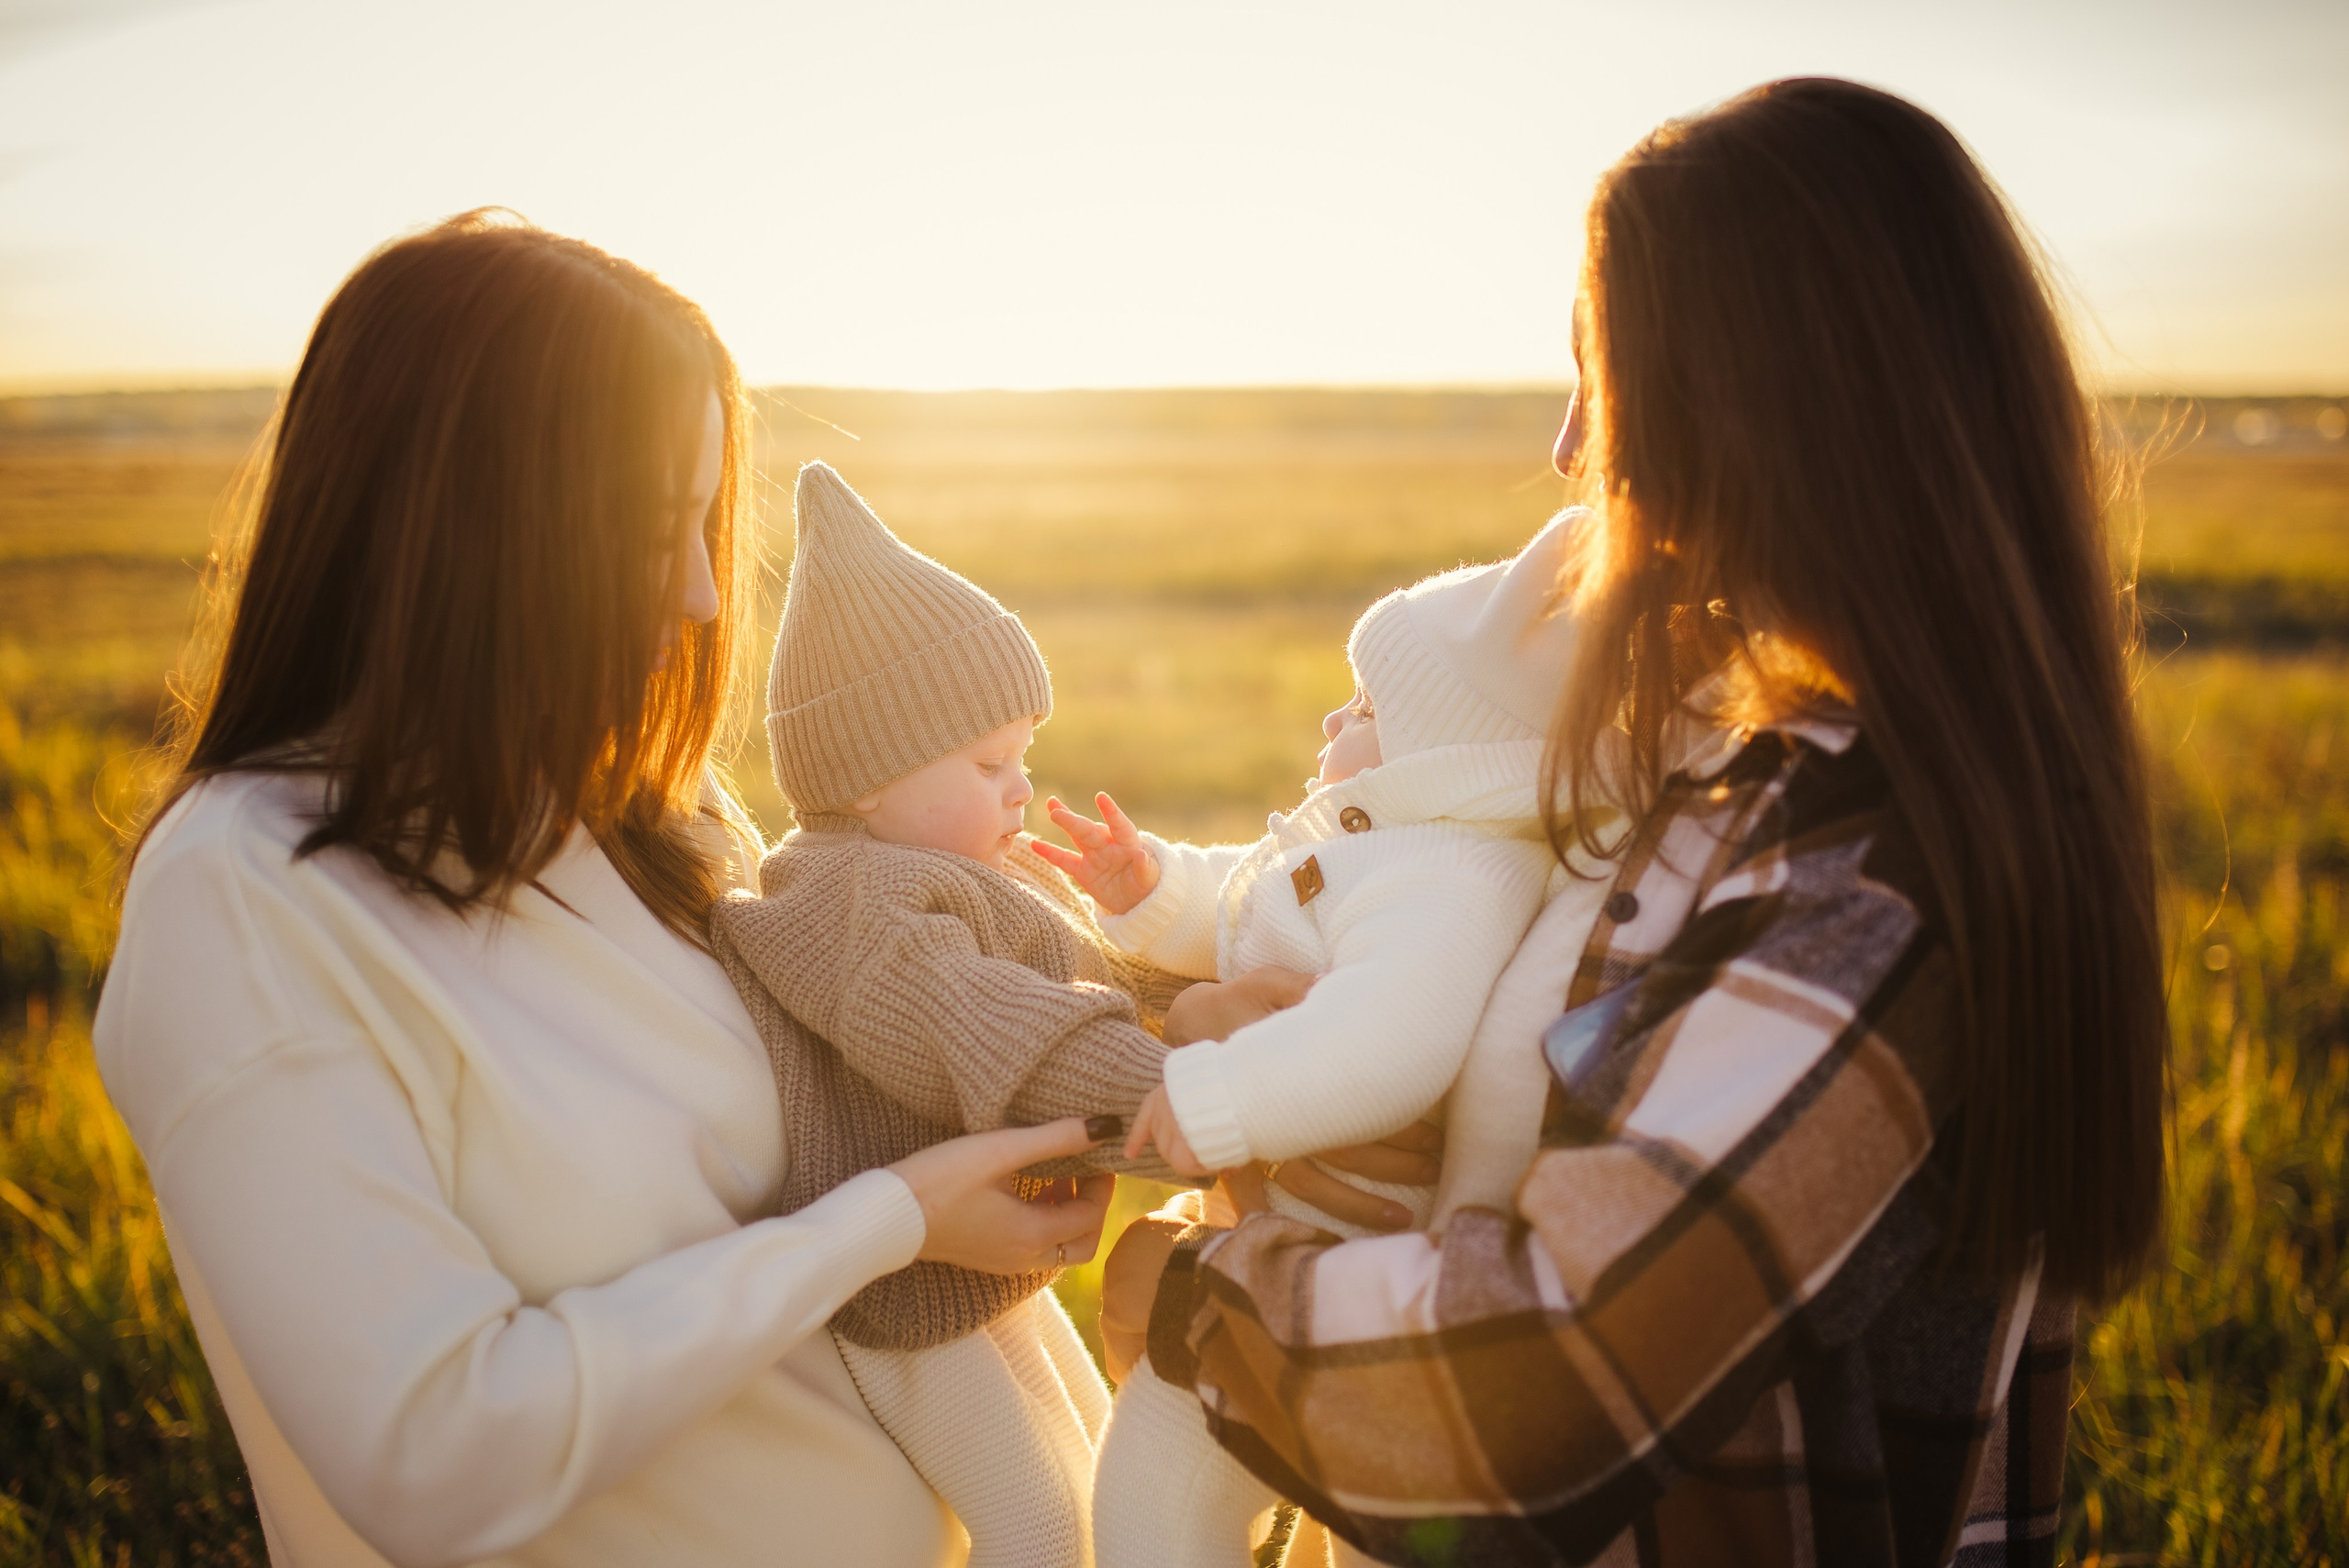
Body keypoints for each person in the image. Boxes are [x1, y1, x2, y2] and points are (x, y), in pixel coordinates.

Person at [1103, 77, 2168, 1567]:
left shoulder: (1869, 878)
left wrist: (1196, 1295)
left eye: (1602, 379)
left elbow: (1557, 1377)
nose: (1565, 449)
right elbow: (1585, 1121)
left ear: (1765, 405)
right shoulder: (1760, 786)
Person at [94, 210, 1121, 1568]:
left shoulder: (659, 814)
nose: (703, 596)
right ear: (467, 532)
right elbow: (438, 1455)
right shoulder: (244, 904)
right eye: (651, 530)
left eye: (705, 522)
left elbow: (881, 1060)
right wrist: (889, 1223)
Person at [1041, 511, 1648, 1568]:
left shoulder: (1452, 879)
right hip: (1284, 1242)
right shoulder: (1382, 849)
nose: (1333, 714)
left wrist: (1219, 1095)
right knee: (1191, 1497)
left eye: (1366, 706)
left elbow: (1392, 1042)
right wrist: (1152, 888)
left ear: (1450, 754)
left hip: (1335, 1267)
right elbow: (1250, 899)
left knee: (1162, 1499)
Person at [706, 458, 1197, 1568]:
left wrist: (1206, 1010)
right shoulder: (847, 895)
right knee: (1032, 1524)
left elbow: (1087, 977)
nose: (1021, 788)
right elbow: (989, 1025)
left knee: (1098, 1483)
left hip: (975, 1272)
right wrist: (1183, 1102)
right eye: (989, 762)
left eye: (1021, 755)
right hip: (893, 1285)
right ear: (868, 776)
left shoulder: (962, 864)